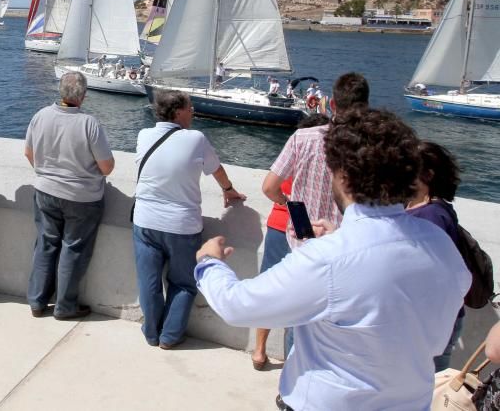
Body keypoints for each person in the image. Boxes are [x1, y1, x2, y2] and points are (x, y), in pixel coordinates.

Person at [194, 109, 470, 410]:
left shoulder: (329, 259)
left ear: (344, 176)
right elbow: (431, 333)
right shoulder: (441, 244)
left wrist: (209, 263)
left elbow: (239, 306)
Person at [133, 90, 245, 349]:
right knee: (183, 283)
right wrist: (228, 190)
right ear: (178, 112)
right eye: (190, 107)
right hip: (181, 225)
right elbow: (216, 169)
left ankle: (151, 333)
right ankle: (170, 336)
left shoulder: (143, 135)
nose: (193, 111)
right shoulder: (196, 139)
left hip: (145, 221)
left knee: (148, 281)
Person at [24, 71, 114, 320]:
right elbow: (107, 167)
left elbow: (29, 153)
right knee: (73, 249)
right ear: (83, 96)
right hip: (81, 198)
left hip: (45, 190)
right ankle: (65, 306)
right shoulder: (89, 123)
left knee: (45, 243)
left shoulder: (40, 116)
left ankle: (37, 301)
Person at [251, 113, 329, 370]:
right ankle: (292, 361)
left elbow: (271, 187)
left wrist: (286, 203)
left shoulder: (294, 151)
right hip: (307, 232)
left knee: (270, 289)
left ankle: (259, 350)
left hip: (278, 224)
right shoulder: (325, 156)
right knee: (300, 299)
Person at [261, 72, 370, 240]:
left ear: (333, 104)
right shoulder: (373, 146)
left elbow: (269, 188)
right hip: (346, 243)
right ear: (366, 105)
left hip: (303, 240)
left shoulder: (302, 137)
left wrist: (287, 204)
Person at [408, 141, 465, 371]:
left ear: (428, 175)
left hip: (431, 323)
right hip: (438, 319)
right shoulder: (436, 209)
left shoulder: (430, 217)